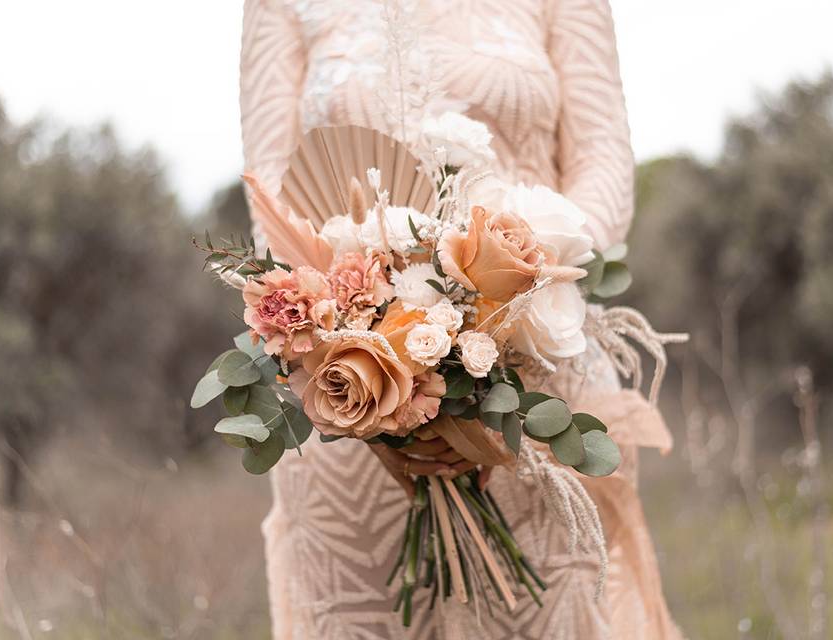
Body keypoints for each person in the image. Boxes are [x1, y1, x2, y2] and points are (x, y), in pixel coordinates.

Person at [239, 1, 683, 637]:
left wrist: (497, 302)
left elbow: (603, 167)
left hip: (534, 395)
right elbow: (270, 198)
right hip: (349, 406)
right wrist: (388, 392)